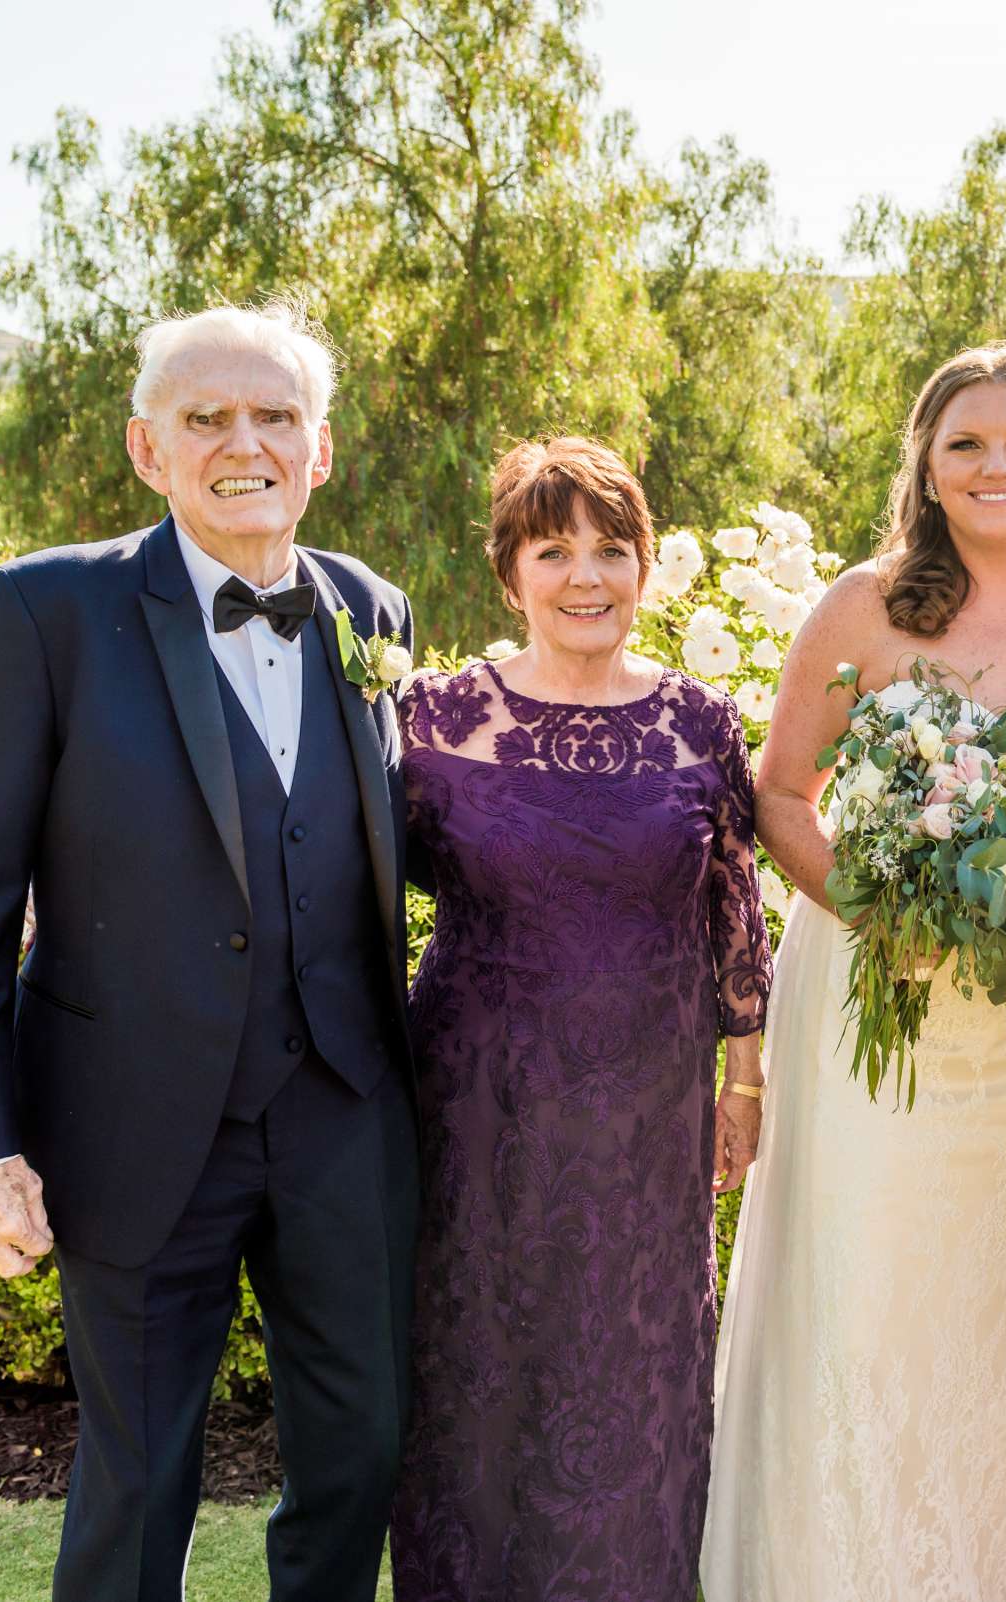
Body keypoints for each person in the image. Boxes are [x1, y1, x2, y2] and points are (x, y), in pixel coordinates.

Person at [0, 301, 418, 1600]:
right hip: (128, 1121)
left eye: (275, 416)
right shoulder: (41, 612)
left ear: (322, 449)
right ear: (149, 448)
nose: (244, 443)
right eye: (208, 418)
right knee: (137, 1483)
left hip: (345, 1123)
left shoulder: (372, 608)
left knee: (361, 1454)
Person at [701, 344, 1006, 1601]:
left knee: (1003, 1308)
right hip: (872, 1014)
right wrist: (884, 918)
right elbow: (780, 795)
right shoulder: (866, 608)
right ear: (929, 469)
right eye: (966, 445)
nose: (996, 465)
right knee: (868, 1295)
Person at [387, 436, 771, 1601]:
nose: (586, 575)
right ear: (511, 573)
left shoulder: (699, 723)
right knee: (476, 1368)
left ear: (646, 567)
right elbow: (345, 902)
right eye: (554, 550)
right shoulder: (434, 719)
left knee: (636, 1370)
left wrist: (743, 1083)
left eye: (612, 548)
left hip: (649, 1121)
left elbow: (736, 914)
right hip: (475, 1110)